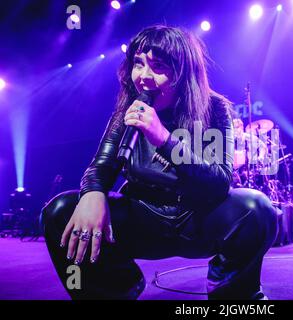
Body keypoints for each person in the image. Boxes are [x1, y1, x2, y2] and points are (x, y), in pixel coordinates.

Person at [40, 25, 277, 300]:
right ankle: (115, 288)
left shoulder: (214, 108)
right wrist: (92, 193)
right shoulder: (128, 109)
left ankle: (231, 294)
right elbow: (101, 166)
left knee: (256, 208)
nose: (143, 77)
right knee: (61, 211)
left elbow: (218, 182)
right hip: (144, 217)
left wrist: (164, 139)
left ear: (182, 72)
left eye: (158, 66)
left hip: (198, 219)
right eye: (138, 64)